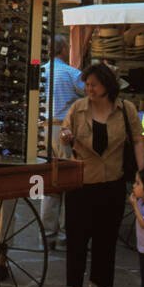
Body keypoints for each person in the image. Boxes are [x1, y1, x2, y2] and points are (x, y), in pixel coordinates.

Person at [59, 62, 144, 287]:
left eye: (93, 84)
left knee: (106, 238)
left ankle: (97, 284)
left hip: (112, 183)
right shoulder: (78, 108)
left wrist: (143, 172)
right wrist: (65, 135)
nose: (89, 89)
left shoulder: (125, 109)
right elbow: (65, 130)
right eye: (86, 84)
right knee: (77, 238)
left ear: (107, 85)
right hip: (81, 184)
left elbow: (138, 140)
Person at [39, 35, 85, 243]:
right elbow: (89, 95)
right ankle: (66, 234)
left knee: (47, 182)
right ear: (64, 49)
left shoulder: (40, 72)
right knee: (68, 181)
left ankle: (46, 232)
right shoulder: (72, 73)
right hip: (63, 131)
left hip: (41, 132)